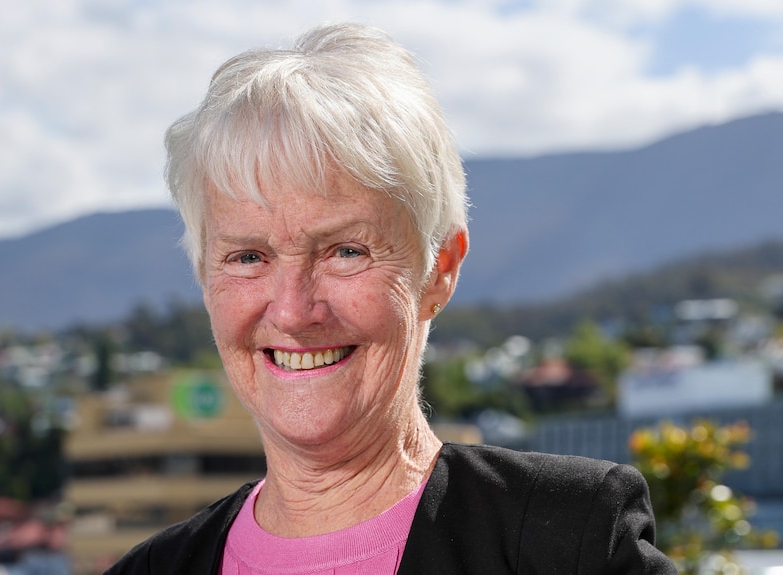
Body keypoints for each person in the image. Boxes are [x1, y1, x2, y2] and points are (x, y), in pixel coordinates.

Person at [106, 22, 677, 575]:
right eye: (248, 258)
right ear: (205, 282)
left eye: (345, 251)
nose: (293, 311)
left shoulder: (567, 542)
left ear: (439, 270)